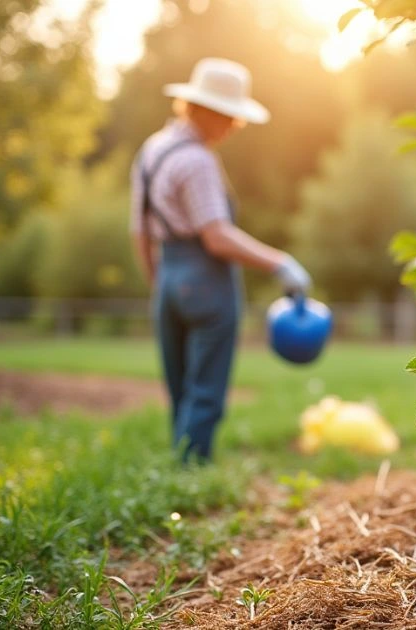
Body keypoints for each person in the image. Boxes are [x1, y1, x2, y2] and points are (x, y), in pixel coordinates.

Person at [130, 58, 311, 463]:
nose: (233, 128)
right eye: (230, 118)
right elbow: (216, 237)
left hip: (168, 276)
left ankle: (179, 461)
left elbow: (138, 231)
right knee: (206, 387)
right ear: (207, 111)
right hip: (206, 281)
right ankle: (192, 469)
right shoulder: (197, 160)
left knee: (180, 385)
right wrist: (280, 262)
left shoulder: (152, 150)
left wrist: (158, 283)